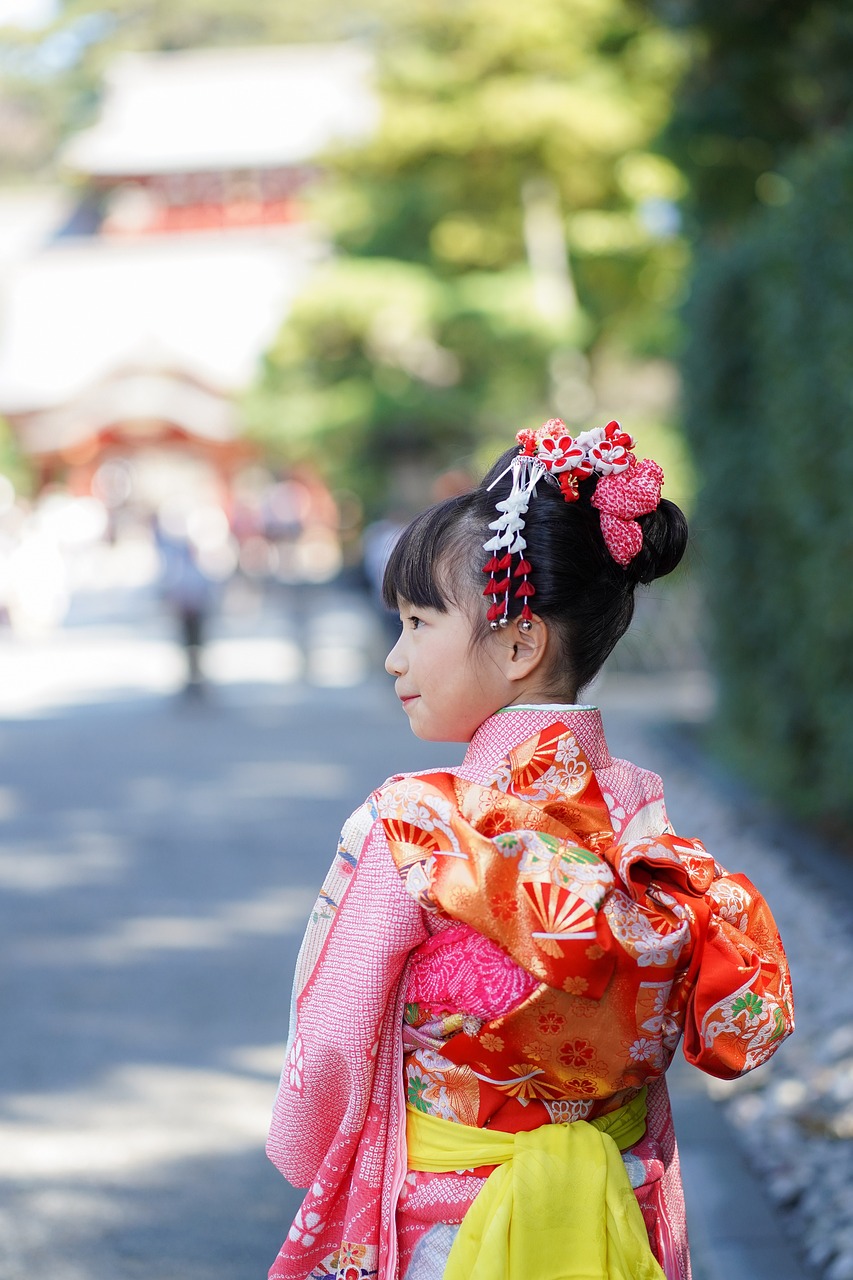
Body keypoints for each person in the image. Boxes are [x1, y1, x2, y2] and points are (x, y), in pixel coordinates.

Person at [266, 419, 794, 1280]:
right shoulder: (639, 810)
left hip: (446, 1217)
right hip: (615, 1198)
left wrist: (310, 1154)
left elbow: (329, 1037)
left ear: (518, 644)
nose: (395, 658)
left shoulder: (410, 823)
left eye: (415, 623)